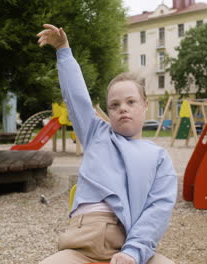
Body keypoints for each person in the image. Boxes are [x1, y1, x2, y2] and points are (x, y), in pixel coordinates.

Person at [37, 24, 178, 264]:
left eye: (131, 102)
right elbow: (77, 99)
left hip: (129, 241)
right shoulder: (96, 134)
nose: (122, 108)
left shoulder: (158, 157)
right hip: (80, 245)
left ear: (145, 106)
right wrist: (64, 51)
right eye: (114, 105)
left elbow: (158, 209)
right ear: (109, 112)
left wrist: (132, 252)